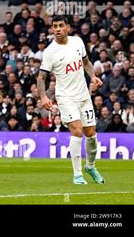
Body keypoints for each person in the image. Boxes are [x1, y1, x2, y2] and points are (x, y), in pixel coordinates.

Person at [38, 16, 105, 185]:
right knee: (77, 131)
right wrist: (44, 96)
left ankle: (90, 166)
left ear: (68, 27)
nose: (58, 29)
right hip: (66, 97)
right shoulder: (50, 52)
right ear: (52, 29)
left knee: (91, 135)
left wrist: (93, 77)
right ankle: (77, 174)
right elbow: (41, 77)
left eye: (61, 26)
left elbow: (86, 62)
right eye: (55, 26)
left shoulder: (77, 42)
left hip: (83, 96)